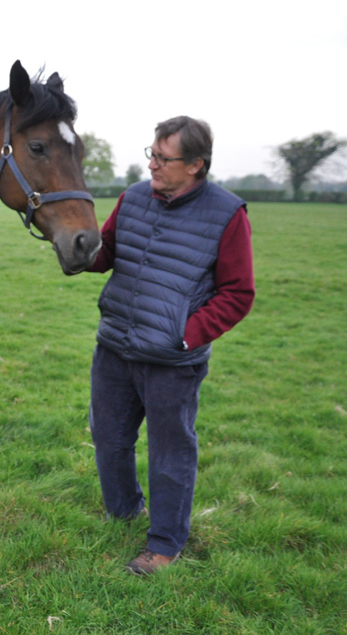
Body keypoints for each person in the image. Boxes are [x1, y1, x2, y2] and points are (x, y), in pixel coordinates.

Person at [85, 116, 255, 575]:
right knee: (108, 437)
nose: (153, 165)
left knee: (170, 452)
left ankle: (164, 545)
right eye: (152, 154)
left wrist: (186, 336)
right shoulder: (134, 197)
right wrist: (76, 246)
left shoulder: (227, 214)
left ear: (196, 165)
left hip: (171, 361)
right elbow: (107, 253)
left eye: (164, 158)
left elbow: (239, 293)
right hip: (115, 345)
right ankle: (123, 510)